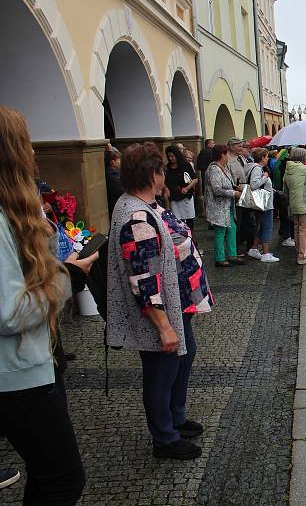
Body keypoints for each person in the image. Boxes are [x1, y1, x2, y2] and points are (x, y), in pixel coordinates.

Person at [0, 106, 93, 504]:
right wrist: (68, 277)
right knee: (63, 480)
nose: (35, 153)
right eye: (27, 143)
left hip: (30, 368)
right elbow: (9, 312)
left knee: (49, 475)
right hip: (18, 378)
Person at [107, 142, 213, 460]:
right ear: (152, 174)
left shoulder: (147, 204)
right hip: (160, 313)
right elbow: (145, 279)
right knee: (161, 373)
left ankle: (176, 418)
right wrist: (164, 327)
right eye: (161, 170)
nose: (164, 174)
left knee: (184, 356)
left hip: (178, 305)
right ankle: (165, 438)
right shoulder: (135, 215)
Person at [205, 144, 245, 267]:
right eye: (227, 153)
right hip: (218, 207)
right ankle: (220, 258)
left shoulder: (223, 167)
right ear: (222, 155)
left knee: (232, 229)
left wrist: (234, 187)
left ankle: (232, 254)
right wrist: (234, 193)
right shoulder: (214, 169)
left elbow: (226, 183)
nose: (228, 156)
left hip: (226, 206)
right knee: (220, 231)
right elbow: (217, 189)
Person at [244, 148, 279, 262]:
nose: (268, 158)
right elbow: (254, 185)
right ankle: (266, 254)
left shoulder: (256, 168)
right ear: (262, 158)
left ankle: (254, 249)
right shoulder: (258, 169)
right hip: (264, 204)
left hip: (264, 203)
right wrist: (265, 177)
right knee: (267, 227)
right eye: (266, 156)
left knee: (262, 227)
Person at [164, 145, 198, 231]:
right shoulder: (167, 168)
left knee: (189, 218)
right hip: (174, 197)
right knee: (177, 219)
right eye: (169, 157)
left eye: (172, 156)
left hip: (186, 196)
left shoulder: (185, 165)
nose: (171, 158)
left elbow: (195, 179)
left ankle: (190, 235)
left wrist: (187, 188)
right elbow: (164, 181)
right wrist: (166, 188)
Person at [272, 147, 295, 247]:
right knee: (287, 216)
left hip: (280, 191)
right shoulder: (289, 165)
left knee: (284, 215)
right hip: (285, 193)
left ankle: (284, 233)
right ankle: (287, 236)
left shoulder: (281, 162)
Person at [105, 144, 124, 214]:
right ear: (113, 162)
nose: (120, 162)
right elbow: (122, 190)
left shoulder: (116, 172)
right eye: (118, 159)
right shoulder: (112, 174)